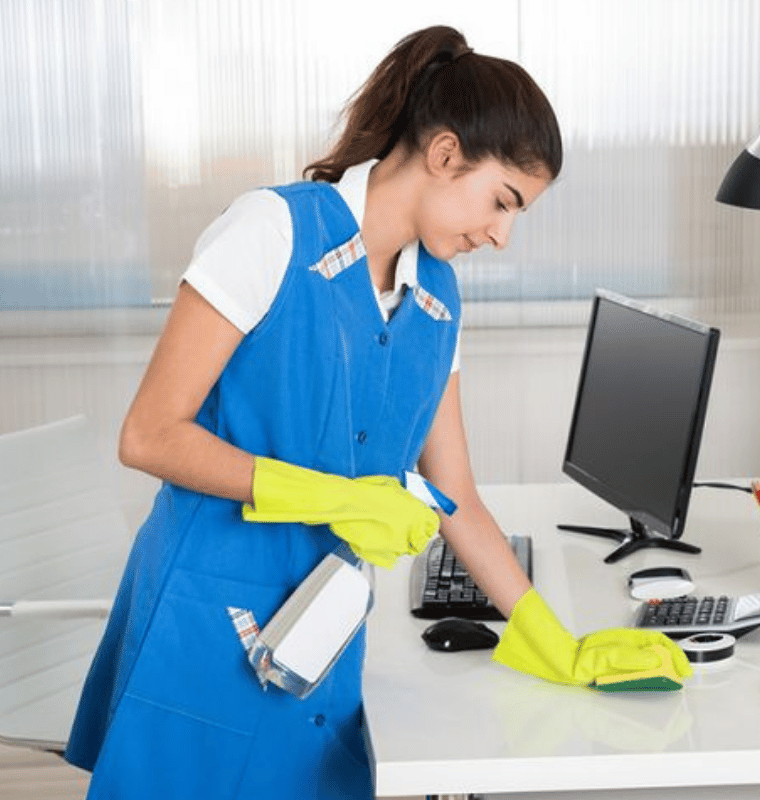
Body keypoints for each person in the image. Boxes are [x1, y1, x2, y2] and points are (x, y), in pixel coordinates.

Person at [64, 25, 691, 800]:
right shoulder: (272, 231)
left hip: (321, 636)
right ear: (444, 154)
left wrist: (549, 639)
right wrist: (333, 497)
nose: (501, 235)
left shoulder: (437, 298)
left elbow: (453, 486)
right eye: (502, 201)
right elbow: (149, 434)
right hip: (204, 622)